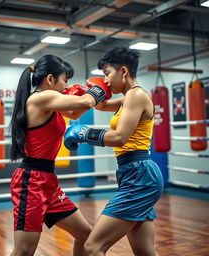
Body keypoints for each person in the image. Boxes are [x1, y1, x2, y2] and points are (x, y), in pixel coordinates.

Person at [64, 46, 164, 256]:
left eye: (107, 73)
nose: (106, 80)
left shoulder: (135, 96)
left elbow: (120, 137)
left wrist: (83, 133)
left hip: (139, 174)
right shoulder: (128, 97)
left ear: (124, 71)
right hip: (134, 172)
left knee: (92, 247)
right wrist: (92, 91)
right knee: (144, 250)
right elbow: (101, 106)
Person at [9, 54, 111, 256]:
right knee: (24, 251)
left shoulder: (52, 103)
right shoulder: (40, 98)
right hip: (31, 182)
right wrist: (99, 89)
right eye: (65, 80)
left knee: (86, 236)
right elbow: (83, 104)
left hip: (48, 182)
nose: (67, 85)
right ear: (49, 79)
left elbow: (74, 113)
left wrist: (96, 98)